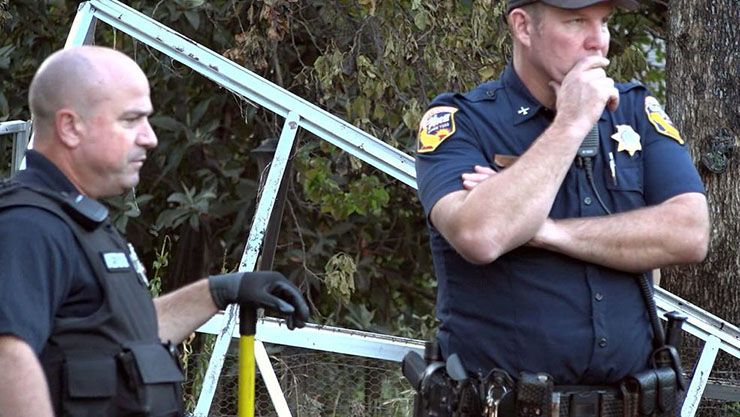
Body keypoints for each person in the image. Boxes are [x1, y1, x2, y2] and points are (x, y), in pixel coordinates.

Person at [414, 0, 709, 408]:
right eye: (576, 21)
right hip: (505, 405)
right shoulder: (464, 121)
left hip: (631, 404)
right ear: (523, 27)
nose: (598, 41)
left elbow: (690, 232)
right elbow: (481, 235)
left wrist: (546, 231)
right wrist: (572, 121)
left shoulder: (634, 112)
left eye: (604, 22)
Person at [0, 46, 310, 417]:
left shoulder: (76, 221)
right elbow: (7, 358)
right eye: (131, 120)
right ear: (70, 127)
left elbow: (128, 338)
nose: (149, 138)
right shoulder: (27, 225)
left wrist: (222, 291)